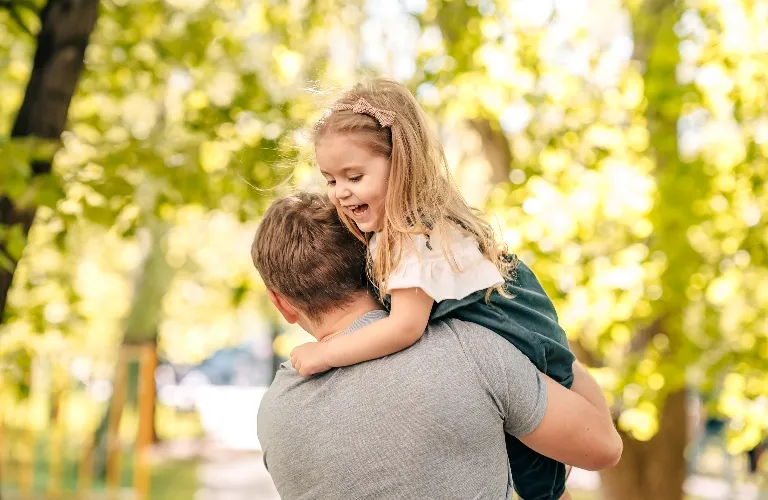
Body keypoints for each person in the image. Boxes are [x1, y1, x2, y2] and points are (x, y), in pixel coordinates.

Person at [289, 77, 578, 499]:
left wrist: (324, 354)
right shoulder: (396, 230)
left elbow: (404, 327)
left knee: (539, 482)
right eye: (331, 180)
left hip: (521, 341)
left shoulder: (409, 236)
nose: (341, 192)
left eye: (354, 175)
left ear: (400, 164)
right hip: (512, 338)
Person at [252, 192, 622, 500]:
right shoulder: (471, 349)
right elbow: (603, 448)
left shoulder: (275, 413)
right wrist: (545, 340)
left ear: (281, 303)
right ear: (374, 261)